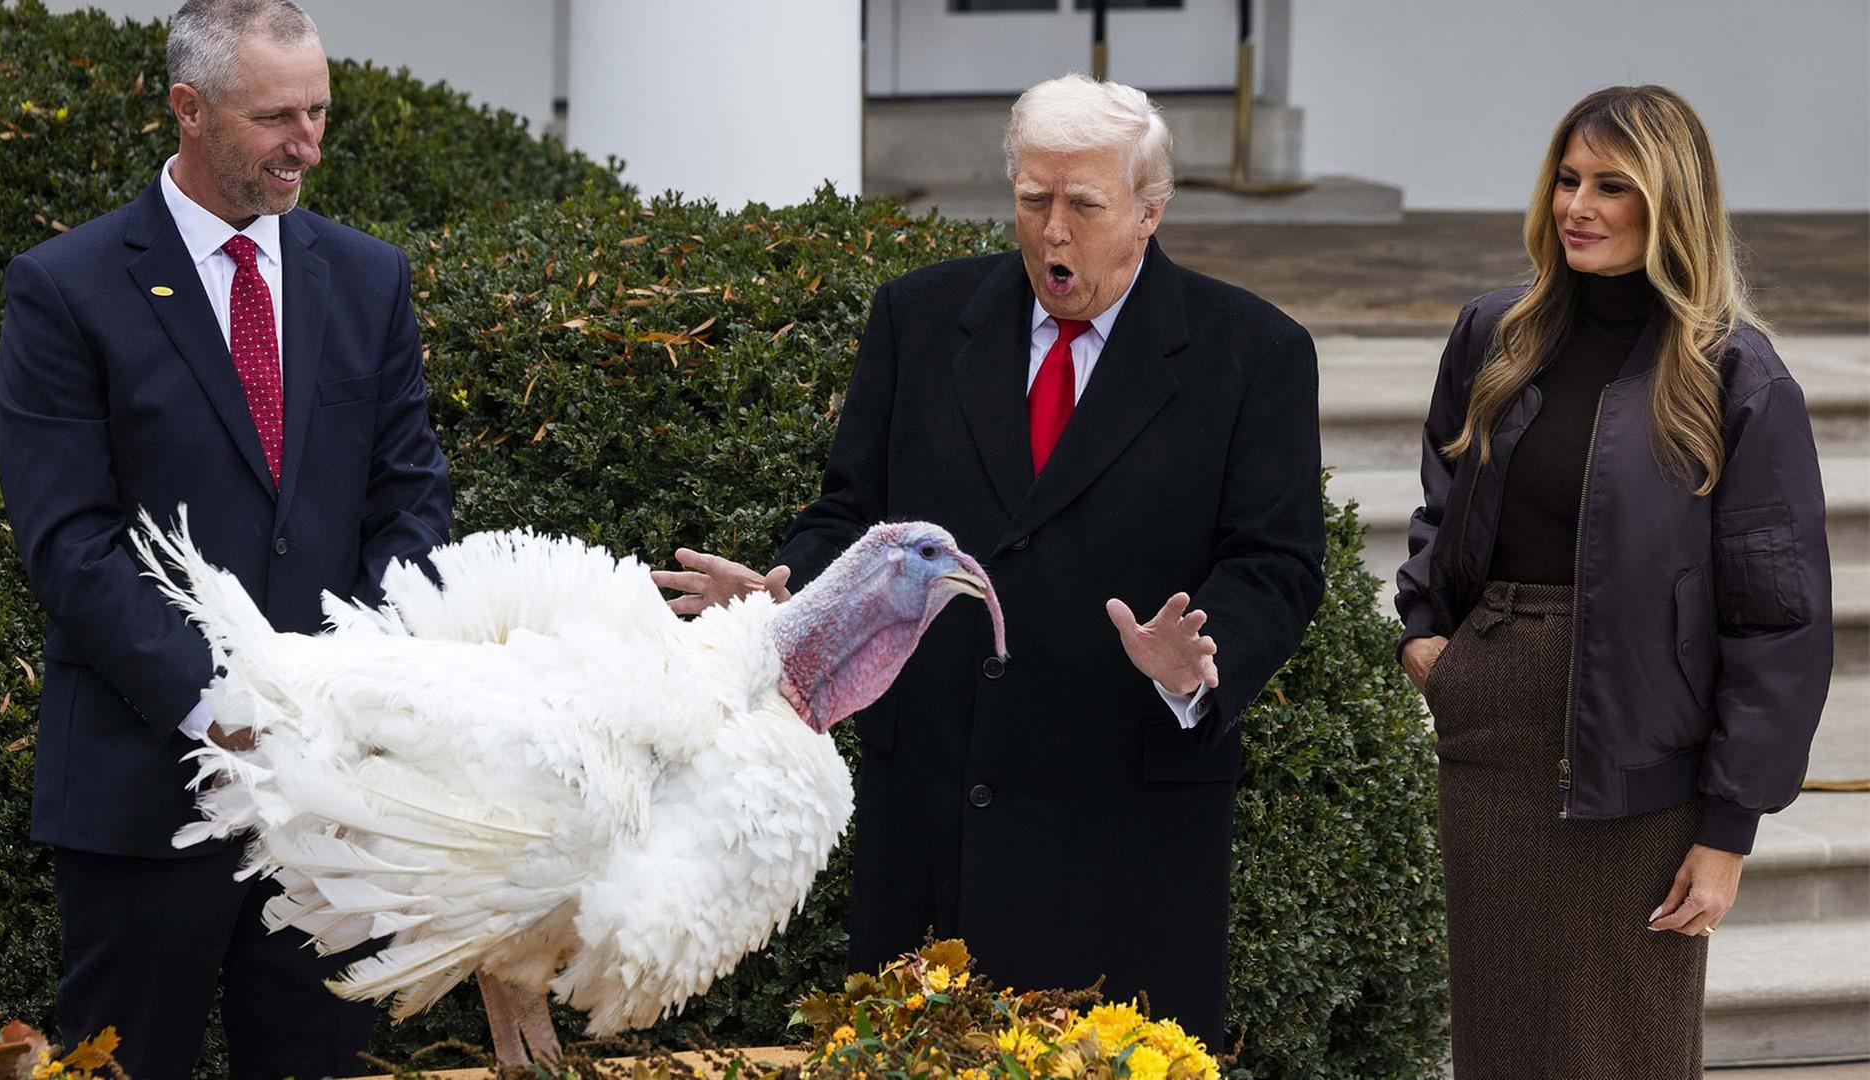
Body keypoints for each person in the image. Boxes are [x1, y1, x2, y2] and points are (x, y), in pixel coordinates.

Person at [652, 73, 1325, 1049]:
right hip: (934, 808)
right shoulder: (918, 320)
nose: (1054, 232)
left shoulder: (1254, 352)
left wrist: (1203, 657)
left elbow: (1278, 562)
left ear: (1149, 212)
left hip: (1122, 825)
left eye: (1084, 206)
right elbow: (852, 511)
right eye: (1033, 200)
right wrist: (783, 592)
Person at [0, 1, 452, 1075]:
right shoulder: (66, 289)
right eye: (275, 117)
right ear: (188, 110)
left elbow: (410, 501)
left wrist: (348, 683)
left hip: (333, 802)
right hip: (146, 786)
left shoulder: (369, 278)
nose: (307, 143)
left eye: (321, 112)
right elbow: (70, 541)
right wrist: (224, 707)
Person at [1394, 85, 1831, 1077]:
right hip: (1493, 735)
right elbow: (1442, 500)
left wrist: (1727, 833)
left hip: (1641, 758)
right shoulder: (1495, 333)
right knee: (1501, 1040)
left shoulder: (1733, 375)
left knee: (1620, 1045)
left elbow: (1780, 622)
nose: (1576, 205)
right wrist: (1429, 639)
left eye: (1611, 185)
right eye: (1567, 177)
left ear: (1673, 202)